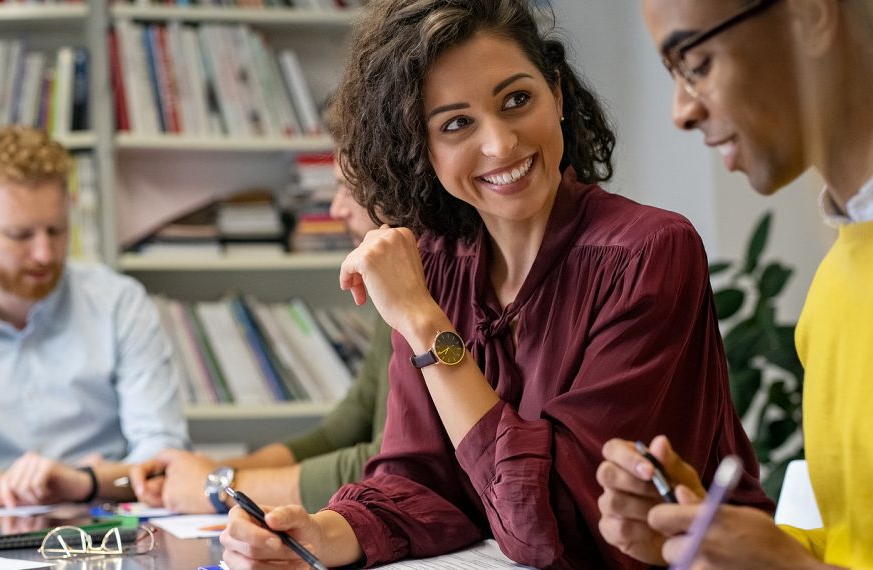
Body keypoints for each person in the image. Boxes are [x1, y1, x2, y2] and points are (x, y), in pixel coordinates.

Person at [219, 0, 772, 568]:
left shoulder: (648, 252)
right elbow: (420, 482)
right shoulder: (434, 264)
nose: (501, 144)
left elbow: (553, 523)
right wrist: (319, 535)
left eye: (517, 100)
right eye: (457, 123)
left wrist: (425, 324)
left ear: (556, 95)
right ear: (421, 147)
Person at [596, 1, 873, 568]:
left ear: (813, 14)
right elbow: (846, 546)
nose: (681, 110)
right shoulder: (834, 286)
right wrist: (711, 535)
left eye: (694, 61)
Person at [0, 126, 188, 511]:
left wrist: (83, 483)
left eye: (56, 230)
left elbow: (164, 460)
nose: (44, 253)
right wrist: (22, 484)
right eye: (20, 235)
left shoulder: (120, 303)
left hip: (105, 520)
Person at [129, 156, 394, 514]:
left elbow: (390, 463)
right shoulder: (392, 287)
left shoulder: (423, 288)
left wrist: (222, 488)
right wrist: (219, 473)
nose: (335, 209)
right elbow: (345, 427)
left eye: (349, 187)